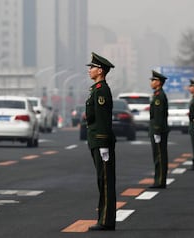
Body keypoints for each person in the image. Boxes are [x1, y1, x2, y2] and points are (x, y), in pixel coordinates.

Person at [85, 52, 116, 231]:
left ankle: (106, 220)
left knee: (105, 180)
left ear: (101, 70)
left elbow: (103, 119)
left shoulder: (101, 90)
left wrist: (103, 143)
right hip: (96, 140)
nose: (90, 70)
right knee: (102, 179)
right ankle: (104, 218)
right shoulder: (96, 89)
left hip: (101, 141)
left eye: (93, 67)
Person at [148, 70, 169, 188]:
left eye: (153, 80)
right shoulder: (157, 95)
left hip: (158, 130)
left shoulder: (159, 96)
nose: (151, 82)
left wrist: (157, 130)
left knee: (160, 156)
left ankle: (160, 180)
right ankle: (159, 179)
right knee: (158, 155)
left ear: (159, 82)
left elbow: (159, 115)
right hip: (158, 130)